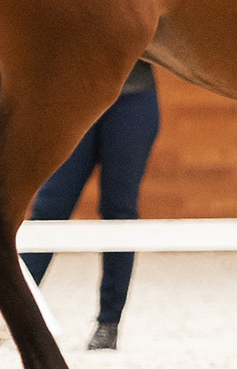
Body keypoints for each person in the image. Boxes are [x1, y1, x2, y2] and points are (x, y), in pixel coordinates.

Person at [22, 59, 161, 351]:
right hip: (76, 98)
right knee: (50, 206)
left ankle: (108, 324)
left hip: (133, 97)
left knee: (119, 211)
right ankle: (16, 306)